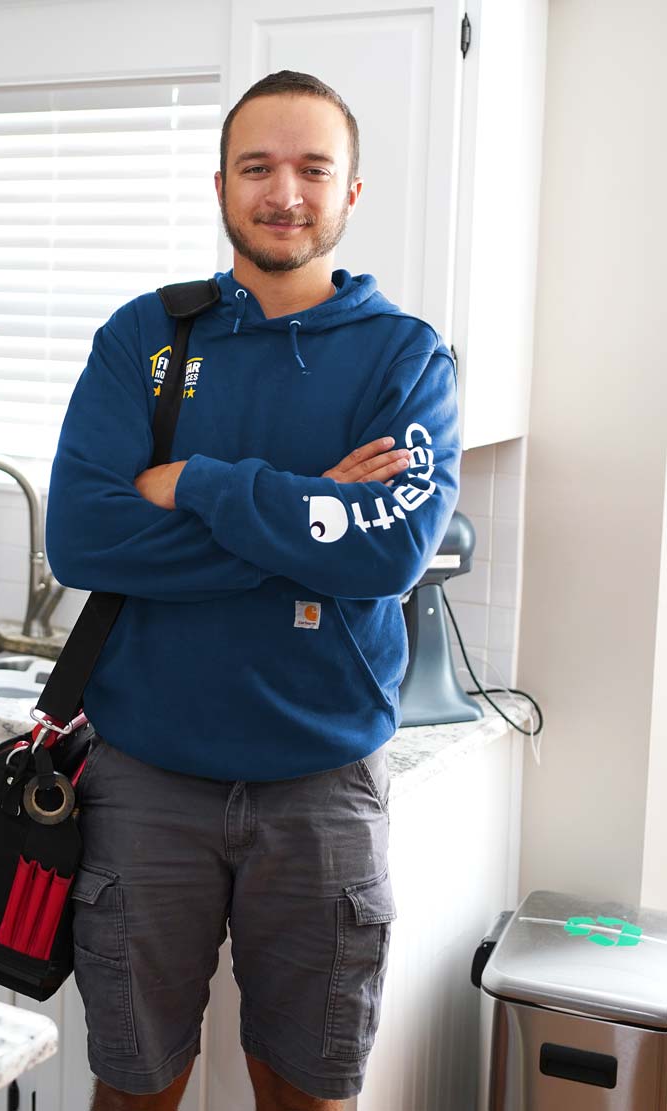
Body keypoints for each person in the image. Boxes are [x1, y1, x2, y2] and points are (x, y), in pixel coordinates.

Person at [45, 70, 461, 1111]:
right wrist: (312, 515)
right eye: (257, 167)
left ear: (351, 190)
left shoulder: (405, 359)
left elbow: (393, 551)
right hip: (146, 777)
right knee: (135, 1081)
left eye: (312, 168)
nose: (285, 192)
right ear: (221, 184)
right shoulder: (146, 341)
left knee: (308, 1087)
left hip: (322, 783)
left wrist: (198, 484)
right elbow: (87, 535)